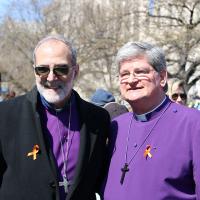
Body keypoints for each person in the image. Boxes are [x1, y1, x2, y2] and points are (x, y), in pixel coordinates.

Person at [0, 35, 110, 200]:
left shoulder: (98, 119)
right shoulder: (5, 115)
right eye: (42, 69)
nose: (51, 77)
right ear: (34, 70)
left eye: (61, 69)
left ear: (76, 71)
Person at [101, 42, 200, 199]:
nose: (131, 80)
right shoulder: (115, 126)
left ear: (162, 77)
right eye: (124, 74)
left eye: (140, 72)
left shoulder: (193, 124)